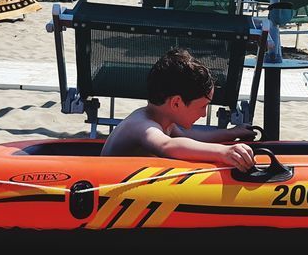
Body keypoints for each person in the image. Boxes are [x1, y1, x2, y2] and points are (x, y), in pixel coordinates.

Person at [102, 48, 256, 168]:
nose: (204, 114)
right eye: (203, 106)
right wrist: (223, 152)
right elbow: (167, 146)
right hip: (103, 185)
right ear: (176, 103)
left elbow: (191, 139)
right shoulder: (142, 125)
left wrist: (232, 133)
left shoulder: (165, 120)